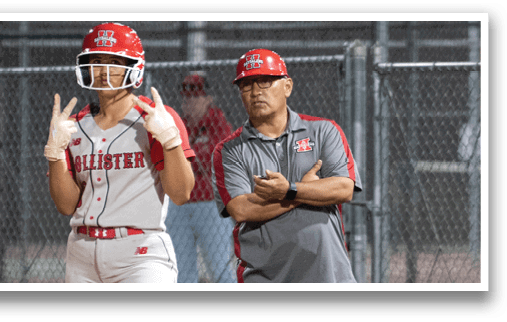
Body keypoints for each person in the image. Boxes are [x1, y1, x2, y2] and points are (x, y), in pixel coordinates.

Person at [44, 22, 196, 283]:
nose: (103, 70)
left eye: (114, 61)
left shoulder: (156, 118)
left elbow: (181, 193)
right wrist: (55, 153)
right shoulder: (73, 125)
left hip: (140, 252)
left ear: (133, 66)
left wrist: (170, 141)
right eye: (96, 60)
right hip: (81, 252)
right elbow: (65, 204)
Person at [211, 48, 362, 283]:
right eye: (247, 85)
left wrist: (288, 190)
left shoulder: (324, 131)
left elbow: (343, 189)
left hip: (328, 275)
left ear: (287, 86)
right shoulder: (229, 150)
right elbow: (242, 209)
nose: (255, 92)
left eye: (265, 81)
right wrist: (302, 191)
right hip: (264, 278)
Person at [165, 74, 236, 283]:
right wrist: (191, 158)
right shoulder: (179, 124)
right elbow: (171, 160)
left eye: (195, 97)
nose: (189, 102)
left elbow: (216, 158)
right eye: (186, 98)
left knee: (219, 268)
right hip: (180, 204)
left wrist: (185, 159)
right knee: (180, 270)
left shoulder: (218, 122)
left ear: (208, 98)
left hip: (210, 205)